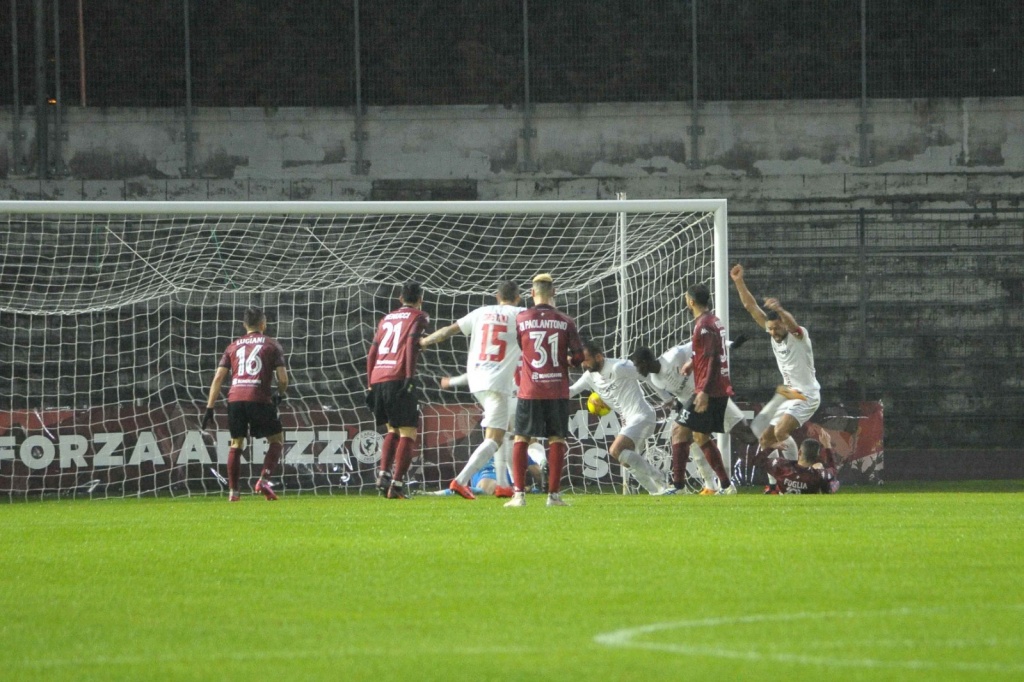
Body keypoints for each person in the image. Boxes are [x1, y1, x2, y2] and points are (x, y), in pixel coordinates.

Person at [419, 281, 525, 499]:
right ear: (519, 298)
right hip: (497, 382)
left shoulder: (481, 312)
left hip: (476, 380)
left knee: (502, 430)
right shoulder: (521, 314)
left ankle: (504, 485)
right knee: (494, 438)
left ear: (497, 296)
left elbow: (448, 331)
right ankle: (460, 481)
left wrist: (423, 342)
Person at [730, 264, 822, 494]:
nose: (772, 333)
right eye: (769, 329)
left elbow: (791, 324)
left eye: (775, 328)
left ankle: (793, 480)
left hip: (807, 393)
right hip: (788, 393)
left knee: (780, 433)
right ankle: (775, 487)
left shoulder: (798, 336)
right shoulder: (773, 332)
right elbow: (751, 307)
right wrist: (739, 281)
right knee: (764, 439)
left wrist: (780, 309)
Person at [632, 334, 751, 494]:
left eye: (638, 365)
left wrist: (732, 344)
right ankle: (717, 486)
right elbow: (671, 399)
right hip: (693, 404)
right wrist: (677, 408)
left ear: (645, 362)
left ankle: (718, 485)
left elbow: (703, 343)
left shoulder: (674, 355)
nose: (637, 370)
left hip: (711, 395)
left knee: (747, 436)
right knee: (685, 434)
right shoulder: (655, 380)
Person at [505, 273, 584, 508]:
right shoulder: (566, 321)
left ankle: (519, 495)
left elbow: (522, 346)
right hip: (557, 389)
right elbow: (579, 356)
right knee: (556, 439)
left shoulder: (521, 318)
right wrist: (567, 360)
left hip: (530, 388)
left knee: (521, 437)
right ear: (554, 292)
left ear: (531, 293)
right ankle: (553, 496)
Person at [202, 306, 289, 502]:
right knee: (276, 440)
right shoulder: (272, 345)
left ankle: (233, 493)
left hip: (235, 400)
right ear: (263, 324)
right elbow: (283, 379)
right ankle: (264, 480)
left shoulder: (232, 346)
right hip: (259, 397)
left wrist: (209, 407)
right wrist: (279, 394)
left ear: (244, 325)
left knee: (237, 443)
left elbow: (218, 378)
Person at [570, 341, 671, 495]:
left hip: (642, 415)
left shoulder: (619, 367)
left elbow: (648, 375)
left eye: (586, 360)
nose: (584, 365)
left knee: (616, 450)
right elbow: (571, 391)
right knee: (625, 460)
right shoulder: (589, 377)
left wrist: (667, 399)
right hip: (629, 421)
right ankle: (654, 491)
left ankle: (660, 478)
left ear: (598, 357)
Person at [672, 283, 738, 495]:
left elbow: (712, 360)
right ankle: (727, 487)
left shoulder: (704, 325)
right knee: (700, 437)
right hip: (717, 387)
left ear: (691, 301)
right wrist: (692, 362)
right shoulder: (712, 321)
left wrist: (703, 392)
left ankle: (678, 487)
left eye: (686, 298)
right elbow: (707, 352)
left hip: (710, 389)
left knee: (680, 431)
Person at [366, 282, 430, 499]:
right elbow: (411, 343)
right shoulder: (419, 316)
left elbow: (371, 353)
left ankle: (383, 475)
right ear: (420, 298)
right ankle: (398, 485)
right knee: (408, 431)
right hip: (398, 377)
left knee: (392, 429)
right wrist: (410, 377)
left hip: (378, 377)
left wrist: (369, 383)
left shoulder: (386, 319)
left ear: (400, 298)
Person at [750, 429, 839, 494]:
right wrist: (827, 445)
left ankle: (772, 489)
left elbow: (756, 461)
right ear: (817, 456)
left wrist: (772, 447)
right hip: (807, 506)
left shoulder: (781, 467)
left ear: (799, 452)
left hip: (784, 505)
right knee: (833, 482)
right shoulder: (818, 475)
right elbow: (833, 470)